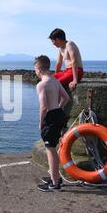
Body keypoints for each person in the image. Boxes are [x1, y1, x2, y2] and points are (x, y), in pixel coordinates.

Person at [34, 56, 71, 192]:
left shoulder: (41, 84)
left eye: (35, 70)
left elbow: (43, 107)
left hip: (50, 117)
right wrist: (58, 109)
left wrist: (41, 121)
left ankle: (55, 184)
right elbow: (66, 98)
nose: (35, 73)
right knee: (53, 148)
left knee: (51, 150)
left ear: (39, 69)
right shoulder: (54, 81)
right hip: (59, 115)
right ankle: (55, 177)